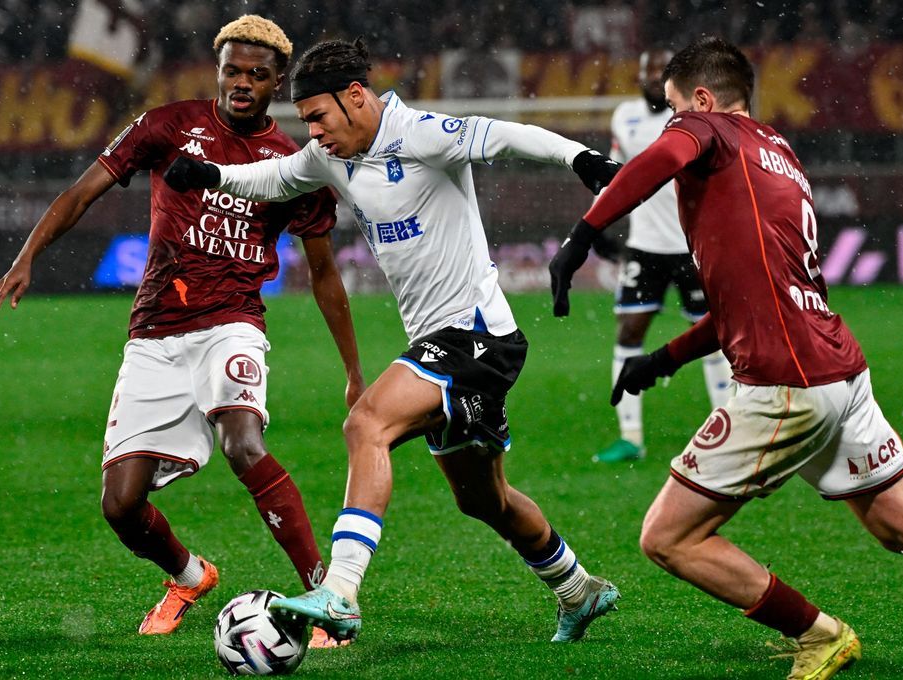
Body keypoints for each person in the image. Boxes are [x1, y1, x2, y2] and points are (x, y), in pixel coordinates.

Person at [548, 37, 903, 680]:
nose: (671, 120)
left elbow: (662, 155)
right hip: (839, 371)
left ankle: (819, 634)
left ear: (706, 100)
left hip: (787, 385)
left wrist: (584, 234)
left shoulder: (705, 131)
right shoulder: (780, 158)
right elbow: (762, 297)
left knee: (667, 538)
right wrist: (665, 357)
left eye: (674, 106)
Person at [162, 37, 623, 644]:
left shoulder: (423, 133)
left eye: (319, 117)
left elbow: (507, 135)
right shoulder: (331, 156)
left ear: (357, 97)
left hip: (477, 333)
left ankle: (341, 592)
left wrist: (582, 160)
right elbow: (277, 177)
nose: (315, 133)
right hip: (443, 340)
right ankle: (577, 588)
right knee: (484, 500)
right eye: (306, 123)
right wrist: (211, 174)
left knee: (366, 424)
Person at [0, 15, 364, 649]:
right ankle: (189, 575)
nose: (241, 84)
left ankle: (326, 595)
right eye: (232, 71)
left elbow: (325, 276)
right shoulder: (167, 125)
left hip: (233, 324)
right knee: (120, 506)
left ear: (276, 85)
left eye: (257, 75)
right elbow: (84, 192)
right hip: (155, 331)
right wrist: (28, 256)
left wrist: (353, 370)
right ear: (218, 70)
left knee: (244, 444)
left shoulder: (294, 163)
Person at [595, 48, 732, 464]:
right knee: (628, 331)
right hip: (646, 245)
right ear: (638, 76)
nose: (655, 79)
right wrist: (599, 218)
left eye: (662, 73)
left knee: (713, 339)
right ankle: (631, 437)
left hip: (694, 245)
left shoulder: (695, 119)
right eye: (648, 71)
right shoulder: (625, 117)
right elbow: (619, 173)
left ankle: (727, 428)